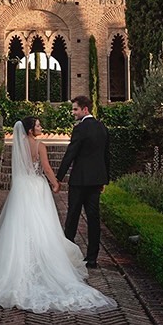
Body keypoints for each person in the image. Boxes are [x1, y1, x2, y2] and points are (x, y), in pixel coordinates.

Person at [0, 116, 116, 313]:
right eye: (38, 125)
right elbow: (45, 168)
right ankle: (43, 260)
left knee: (20, 225)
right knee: (41, 225)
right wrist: (55, 183)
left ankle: (15, 263)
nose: (41, 126)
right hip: (36, 188)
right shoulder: (40, 145)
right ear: (30, 130)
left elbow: (20, 169)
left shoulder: (18, 147)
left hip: (21, 189)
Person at [55, 95, 110, 269]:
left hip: (79, 181)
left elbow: (70, 153)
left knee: (72, 217)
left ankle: (66, 256)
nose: (73, 113)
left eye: (75, 109)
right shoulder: (102, 127)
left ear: (85, 109)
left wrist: (58, 177)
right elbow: (106, 155)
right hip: (96, 181)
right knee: (94, 219)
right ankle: (92, 258)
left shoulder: (80, 128)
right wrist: (104, 179)